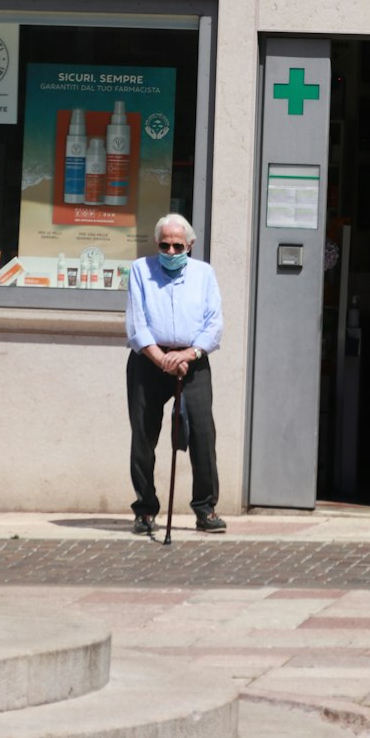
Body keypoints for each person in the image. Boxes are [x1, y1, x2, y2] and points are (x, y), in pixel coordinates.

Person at [124, 213, 226, 535]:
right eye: (164, 245)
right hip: (149, 361)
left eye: (177, 246)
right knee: (143, 436)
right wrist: (161, 359)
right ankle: (145, 510)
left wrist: (188, 354)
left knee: (203, 435)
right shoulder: (141, 270)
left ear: (189, 245)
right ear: (157, 244)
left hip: (192, 361)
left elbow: (214, 324)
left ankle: (205, 509)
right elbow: (137, 324)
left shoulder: (204, 274)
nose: (170, 252)